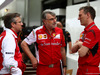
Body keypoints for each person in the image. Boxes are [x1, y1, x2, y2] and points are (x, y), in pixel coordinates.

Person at [21, 10, 67, 75]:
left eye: (55, 18)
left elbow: (62, 49)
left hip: (57, 68)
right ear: (44, 21)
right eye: (51, 19)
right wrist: (32, 58)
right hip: (43, 69)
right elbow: (23, 44)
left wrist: (65, 66)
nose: (54, 21)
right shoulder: (36, 31)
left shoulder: (60, 31)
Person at [71, 6, 100, 75]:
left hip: (90, 70)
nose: (78, 18)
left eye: (80, 15)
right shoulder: (84, 32)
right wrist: (82, 45)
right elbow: (72, 50)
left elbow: (81, 53)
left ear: (88, 15)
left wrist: (79, 44)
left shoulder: (94, 31)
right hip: (81, 68)